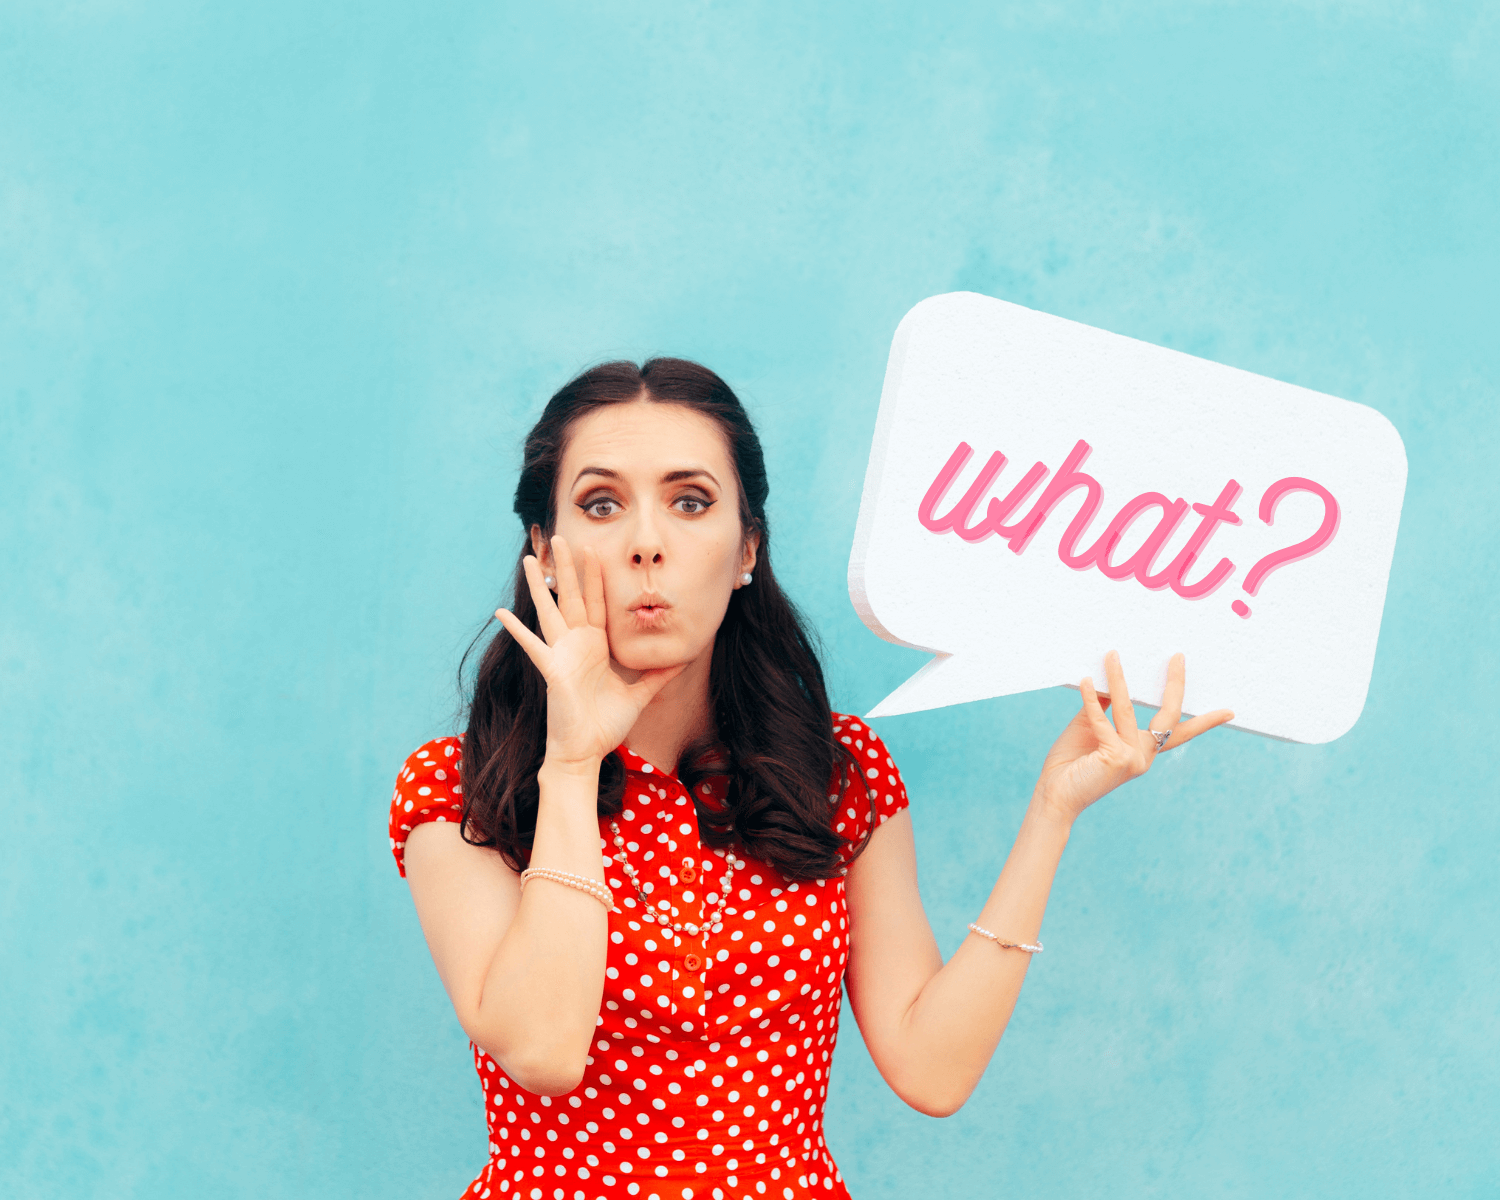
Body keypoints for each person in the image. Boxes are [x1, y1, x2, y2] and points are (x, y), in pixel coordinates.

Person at [387, 358, 1234, 1200]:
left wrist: (1053, 810)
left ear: (747, 545)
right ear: (544, 547)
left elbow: (931, 1070)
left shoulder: (836, 773)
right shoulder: (461, 790)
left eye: (691, 501)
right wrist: (571, 766)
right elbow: (541, 1050)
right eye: (601, 504)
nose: (647, 542)